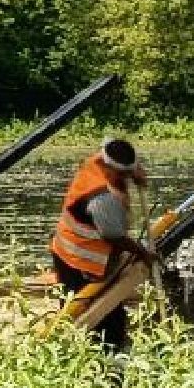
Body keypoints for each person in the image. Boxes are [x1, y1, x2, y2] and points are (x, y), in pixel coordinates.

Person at [49, 138, 157, 352]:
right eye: (122, 175)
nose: (124, 178)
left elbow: (121, 157)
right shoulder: (101, 198)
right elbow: (114, 236)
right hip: (79, 260)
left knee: (106, 311)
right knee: (83, 310)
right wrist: (143, 252)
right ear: (109, 168)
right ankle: (90, 351)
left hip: (78, 250)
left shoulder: (102, 158)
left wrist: (135, 173)